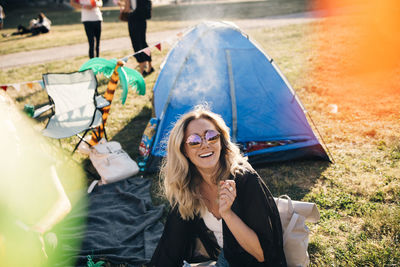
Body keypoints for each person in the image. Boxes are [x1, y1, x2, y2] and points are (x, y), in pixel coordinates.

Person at [149, 105, 287, 267]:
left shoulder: (244, 180)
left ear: (221, 141)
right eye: (194, 141)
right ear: (184, 150)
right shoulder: (189, 187)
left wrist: (227, 214)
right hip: (226, 259)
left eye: (212, 136)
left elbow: (262, 254)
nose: (205, 144)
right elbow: (170, 247)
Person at [122, 0, 154, 77]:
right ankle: (149, 66)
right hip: (142, 19)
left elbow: (126, 9)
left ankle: (142, 70)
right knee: (143, 42)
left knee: (136, 44)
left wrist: (122, 9)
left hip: (133, 19)